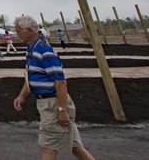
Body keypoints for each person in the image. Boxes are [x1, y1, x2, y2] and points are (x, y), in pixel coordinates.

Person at [12, 15, 95, 160]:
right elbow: (31, 76)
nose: (17, 34)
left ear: (30, 30)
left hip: (53, 104)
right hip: (48, 103)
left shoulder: (45, 51)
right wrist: (22, 96)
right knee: (75, 147)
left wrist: (62, 110)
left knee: (48, 148)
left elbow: (60, 82)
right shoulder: (31, 50)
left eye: (19, 31)